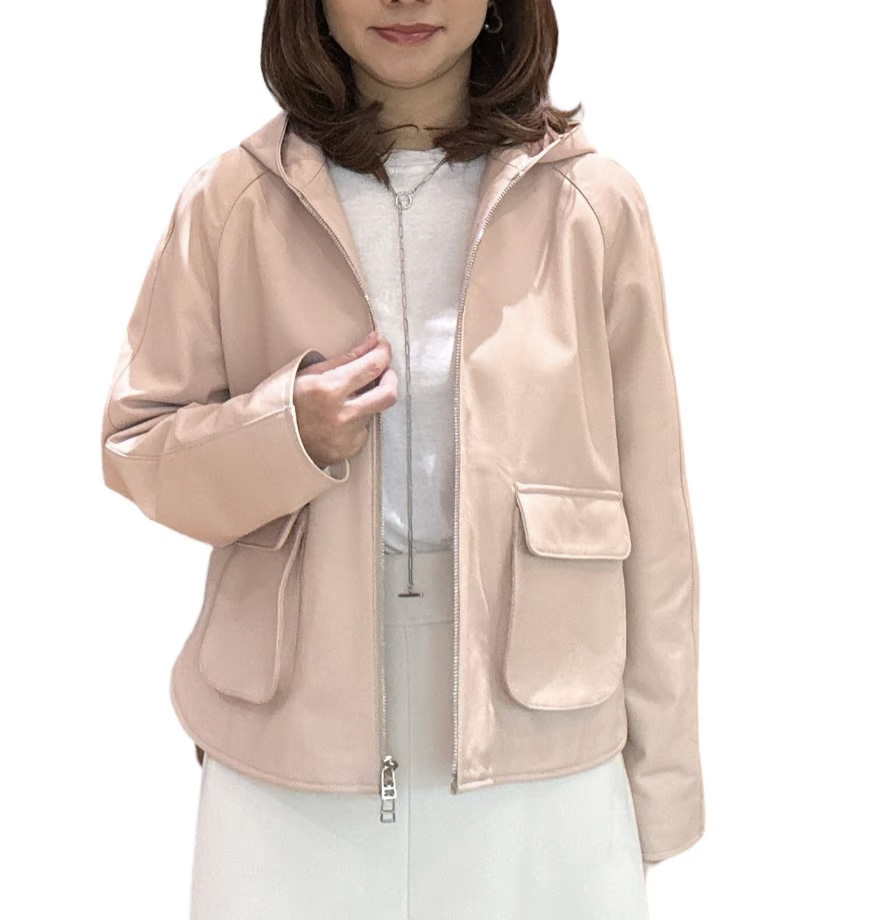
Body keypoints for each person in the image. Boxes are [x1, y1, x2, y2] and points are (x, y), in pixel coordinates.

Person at [100, 0, 705, 916]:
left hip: (542, 738)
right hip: (291, 750)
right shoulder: (232, 201)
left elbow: (656, 520)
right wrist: (286, 431)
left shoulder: (591, 202)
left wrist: (659, 794)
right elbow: (137, 446)